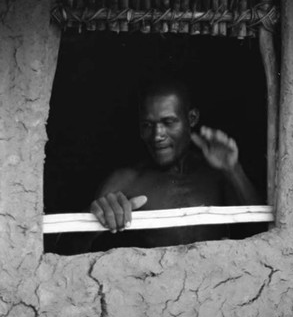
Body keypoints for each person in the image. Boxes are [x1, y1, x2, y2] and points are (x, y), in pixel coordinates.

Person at [89, 78, 260, 249]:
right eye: (148, 125)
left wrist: (233, 170)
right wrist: (98, 217)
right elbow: (71, 250)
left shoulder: (216, 175)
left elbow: (265, 236)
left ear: (191, 119)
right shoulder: (125, 182)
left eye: (168, 122)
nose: (157, 135)